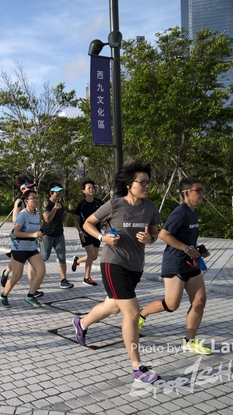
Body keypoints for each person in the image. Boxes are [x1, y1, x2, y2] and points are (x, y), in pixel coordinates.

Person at [72, 161, 161, 384]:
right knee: (131, 313)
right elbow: (88, 223)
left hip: (135, 266)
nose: (147, 186)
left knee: (112, 307)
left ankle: (81, 323)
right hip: (113, 264)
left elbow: (155, 233)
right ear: (129, 185)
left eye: (148, 182)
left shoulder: (150, 208)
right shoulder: (115, 205)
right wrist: (102, 237)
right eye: (142, 182)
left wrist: (150, 239)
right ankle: (137, 367)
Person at [138, 177, 211, 355]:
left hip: (191, 264)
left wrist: (198, 249)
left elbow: (186, 238)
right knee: (171, 305)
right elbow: (164, 234)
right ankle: (141, 315)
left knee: (200, 300)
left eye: (202, 190)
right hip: (175, 263)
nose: (202, 193)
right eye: (198, 190)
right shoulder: (180, 212)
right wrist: (186, 248)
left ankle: (189, 341)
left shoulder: (194, 212)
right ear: (186, 193)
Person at [0, 189, 47, 308]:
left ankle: (30, 296)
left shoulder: (37, 215)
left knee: (41, 271)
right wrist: (33, 235)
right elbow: (16, 232)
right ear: (26, 201)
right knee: (17, 276)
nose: (36, 200)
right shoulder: (22, 215)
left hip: (31, 248)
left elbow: (36, 231)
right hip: (19, 248)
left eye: (37, 198)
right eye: (33, 198)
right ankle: (3, 296)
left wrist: (39, 236)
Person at [42, 182, 74, 289]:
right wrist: (54, 208)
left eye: (61, 192)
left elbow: (63, 220)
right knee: (44, 257)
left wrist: (68, 211)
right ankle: (35, 275)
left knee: (62, 257)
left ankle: (64, 280)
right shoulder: (47, 204)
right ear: (51, 192)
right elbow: (47, 219)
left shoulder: (60, 204)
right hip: (47, 235)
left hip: (59, 234)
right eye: (57, 192)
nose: (59, 194)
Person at [72, 180, 104, 286]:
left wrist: (105, 226)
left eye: (92, 187)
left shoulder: (99, 203)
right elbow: (76, 220)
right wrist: (80, 232)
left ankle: (77, 261)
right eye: (89, 188)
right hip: (85, 232)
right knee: (91, 254)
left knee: (94, 257)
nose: (91, 189)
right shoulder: (82, 205)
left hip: (97, 232)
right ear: (84, 191)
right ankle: (87, 278)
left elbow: (106, 215)